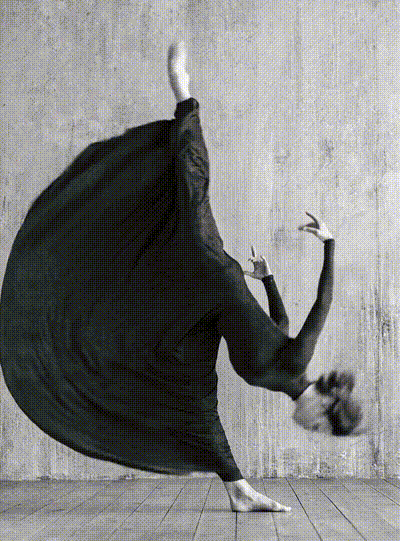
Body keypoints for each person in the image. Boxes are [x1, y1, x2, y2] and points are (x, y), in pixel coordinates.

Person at [0, 42, 363, 513]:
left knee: (195, 401)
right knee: (192, 199)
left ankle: (238, 489)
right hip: (218, 279)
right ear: (323, 405)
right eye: (320, 425)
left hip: (204, 317)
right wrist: (330, 243)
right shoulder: (296, 362)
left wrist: (269, 278)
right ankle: (185, 96)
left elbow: (278, 324)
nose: (311, 429)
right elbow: (322, 304)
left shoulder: (286, 370)